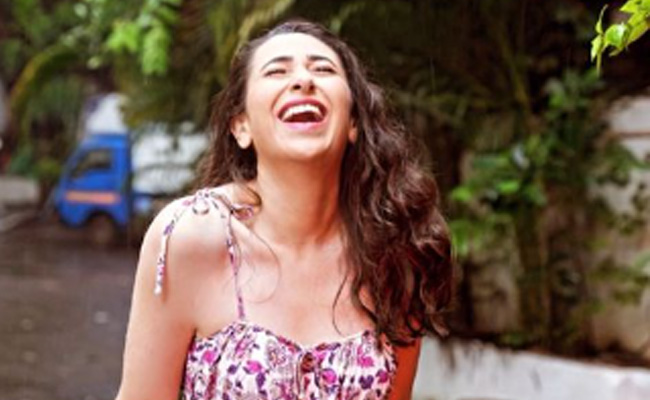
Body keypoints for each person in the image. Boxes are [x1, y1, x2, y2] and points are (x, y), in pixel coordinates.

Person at [115, 19, 453, 400]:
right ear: (241, 127)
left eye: (323, 69)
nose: (303, 80)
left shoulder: (396, 249)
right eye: (277, 71)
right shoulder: (190, 237)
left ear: (353, 123)